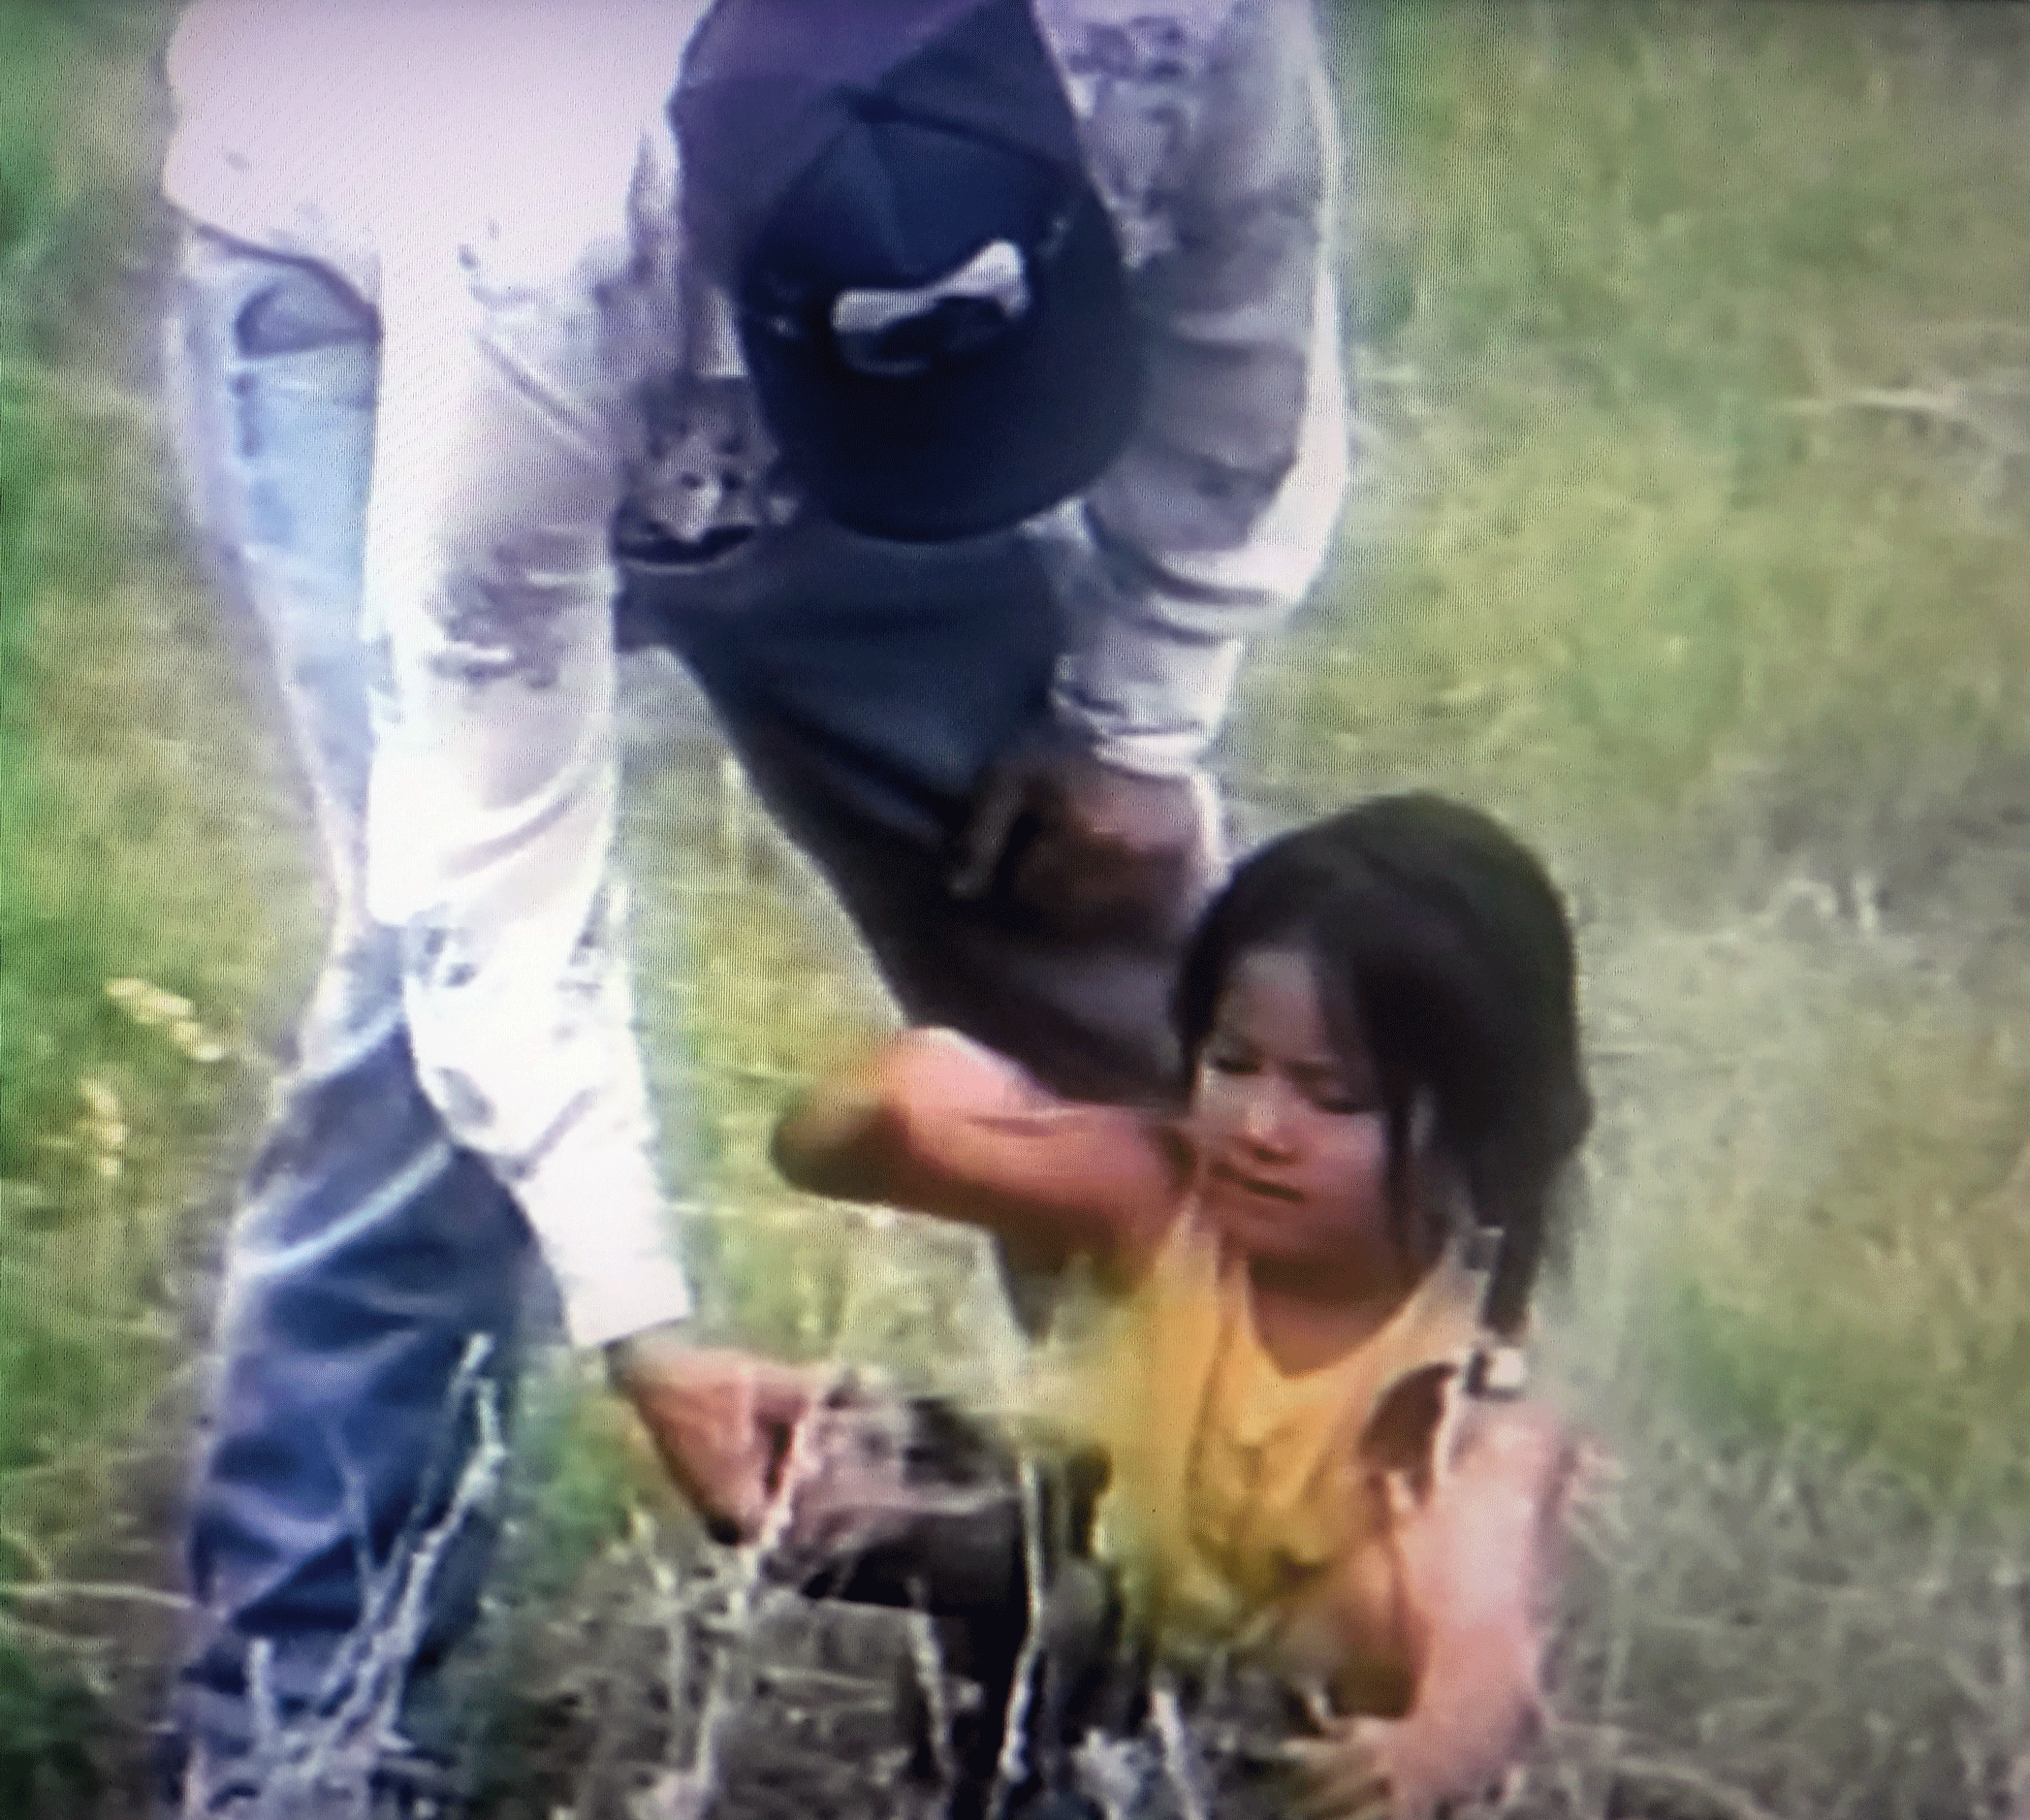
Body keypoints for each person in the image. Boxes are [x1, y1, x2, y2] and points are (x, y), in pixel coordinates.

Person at [154, 0, 1349, 1808]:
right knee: (427, 1030)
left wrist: (1136, 710)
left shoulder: (1177, 27)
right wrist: (649, 1329)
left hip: (823, 271)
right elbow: (493, 854)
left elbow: (1249, 289)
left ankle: (1131, 1666)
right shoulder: (541, 233)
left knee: (1111, 952)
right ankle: (306, 1740)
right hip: (370, 291)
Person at [759, 793, 1593, 1816]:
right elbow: (856, 1130)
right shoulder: (1158, 1196)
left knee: (1376, 1604)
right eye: (1232, 1063)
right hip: (1084, 1611)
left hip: (1286, 1724)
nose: (1257, 1126)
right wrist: (913, 1111)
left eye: (1333, 1097)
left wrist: (1426, 1751)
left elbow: (1484, 1638)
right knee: (905, 1473)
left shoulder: (1469, 1388)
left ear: (1476, 1126)